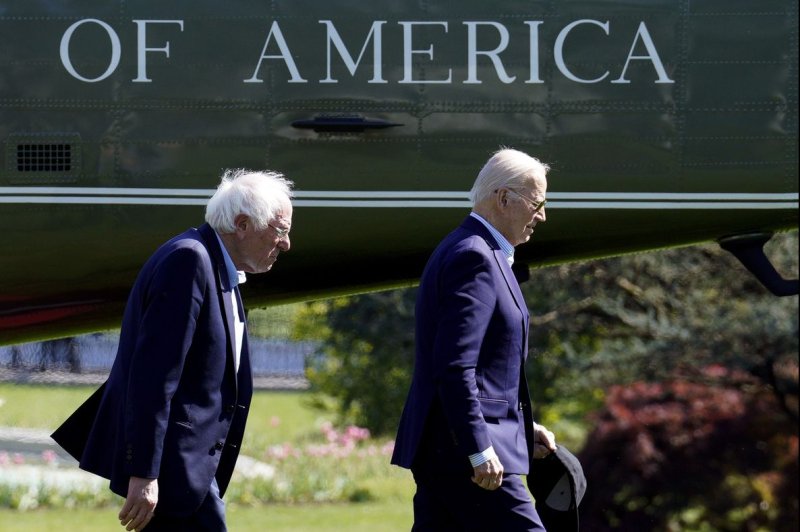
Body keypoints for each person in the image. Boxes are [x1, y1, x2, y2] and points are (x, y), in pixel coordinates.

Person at [52, 169, 293, 531]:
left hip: (188, 473)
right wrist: (144, 473)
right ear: (242, 224)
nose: (286, 243)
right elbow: (154, 376)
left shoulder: (217, 266)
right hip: (173, 473)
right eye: (280, 230)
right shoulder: (189, 261)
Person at [391, 148, 557, 531]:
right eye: (537, 202)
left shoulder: (479, 249)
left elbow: (485, 375)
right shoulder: (475, 257)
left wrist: (520, 426)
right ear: (503, 198)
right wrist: (479, 448)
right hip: (469, 458)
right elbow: (455, 366)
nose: (542, 215)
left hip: (451, 450)